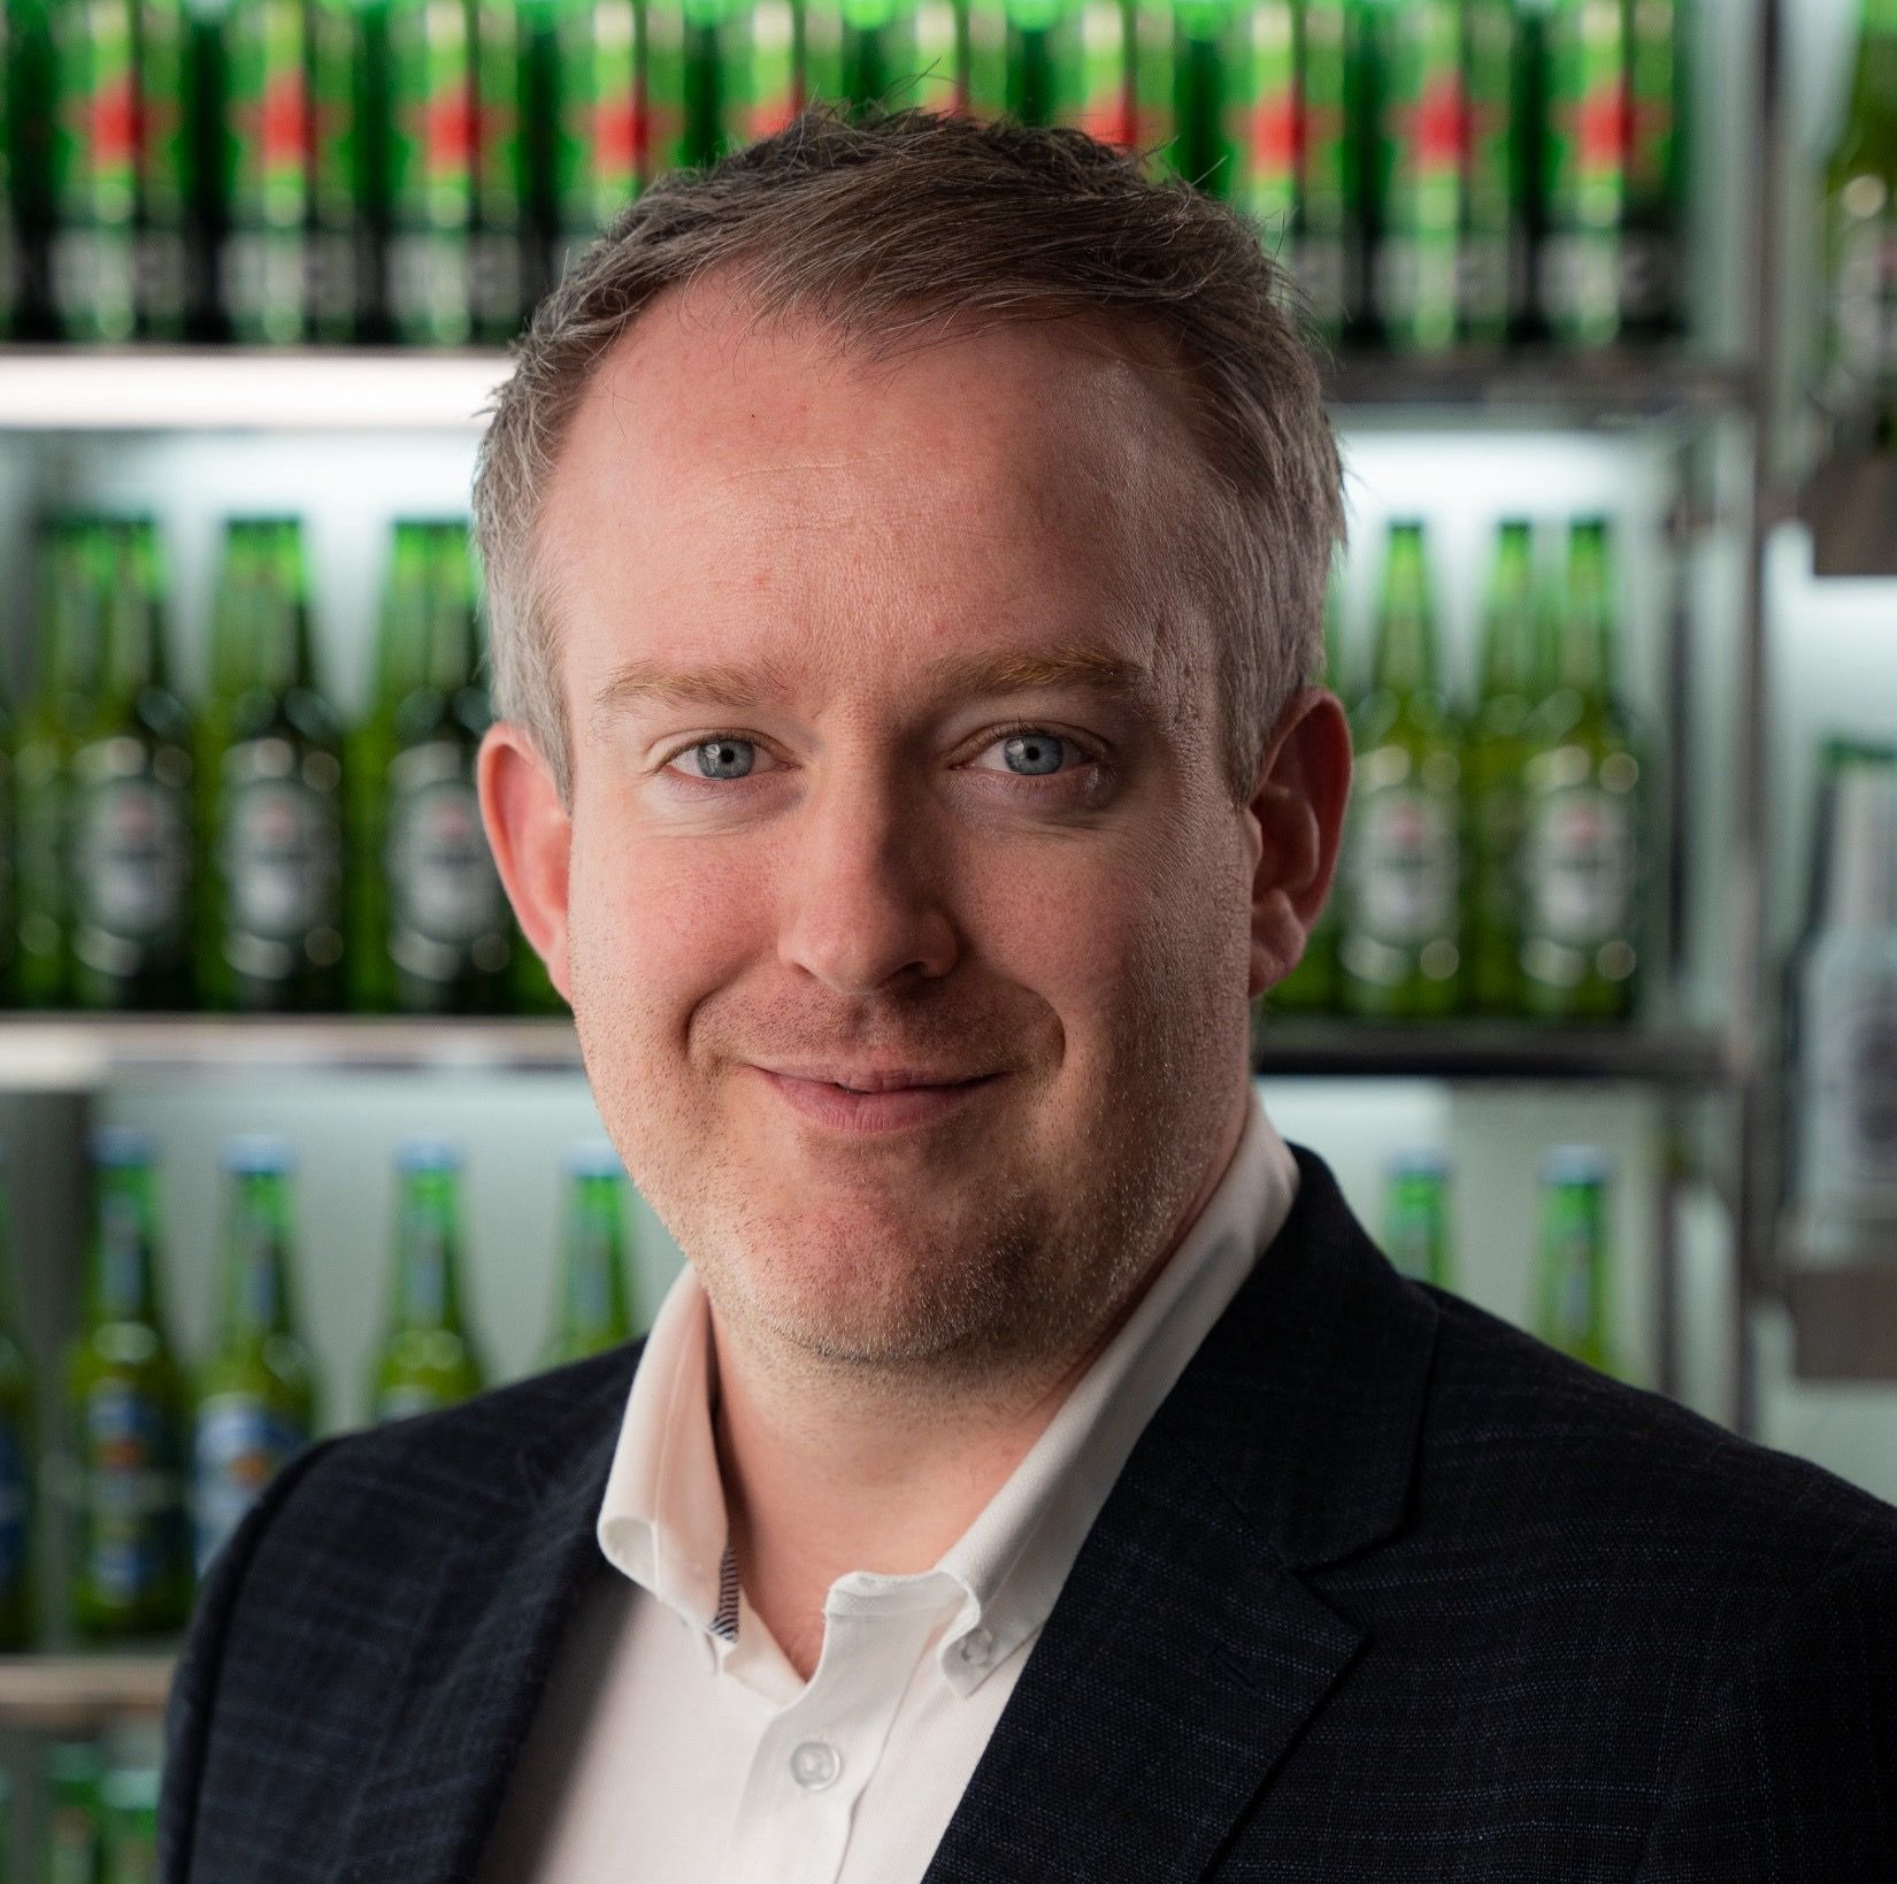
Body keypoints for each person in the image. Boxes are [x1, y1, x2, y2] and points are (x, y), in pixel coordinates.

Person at [159, 110, 1897, 1883]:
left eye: (1028, 751)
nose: (858, 932)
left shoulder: (1750, 1686)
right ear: (545, 864)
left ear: (1279, 841)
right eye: (723, 751)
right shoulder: (322, 1596)